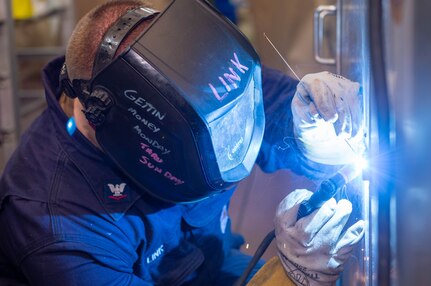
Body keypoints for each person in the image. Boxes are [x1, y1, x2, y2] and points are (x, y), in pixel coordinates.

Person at [0, 1, 364, 285]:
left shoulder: (194, 80)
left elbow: (275, 108)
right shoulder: (59, 225)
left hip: (210, 263)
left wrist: (312, 133)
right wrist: (291, 277)